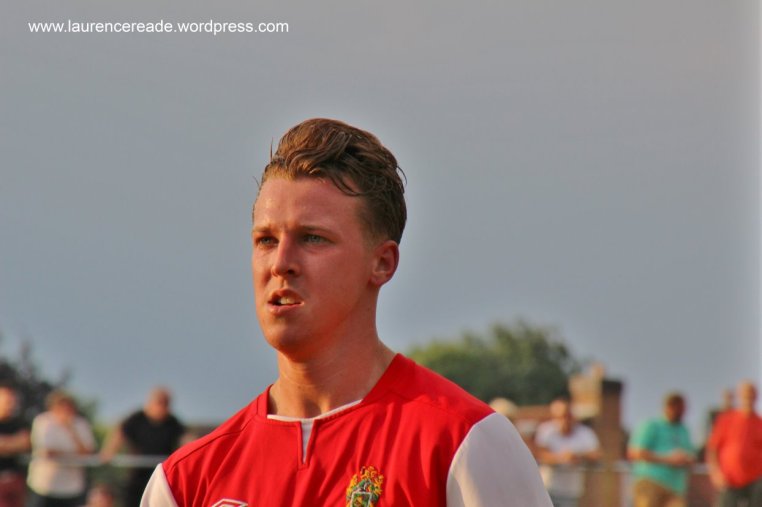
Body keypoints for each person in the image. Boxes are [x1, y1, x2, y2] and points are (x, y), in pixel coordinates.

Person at [141, 118, 552, 505]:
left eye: (312, 238)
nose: (281, 263)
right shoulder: (184, 483)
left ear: (382, 263)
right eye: (266, 240)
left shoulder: (464, 443)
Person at [101, 387, 186, 506]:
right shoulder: (137, 419)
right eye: (160, 403)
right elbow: (120, 433)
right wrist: (108, 452)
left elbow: (185, 439)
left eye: (165, 403)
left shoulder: (173, 422)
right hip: (137, 476)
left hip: (161, 476)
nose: (162, 407)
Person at [27, 390, 96, 507]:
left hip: (73, 488)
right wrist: (75, 456)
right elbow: (47, 452)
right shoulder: (43, 422)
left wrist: (71, 430)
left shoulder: (81, 424)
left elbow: (88, 452)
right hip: (44, 485)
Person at [627, 392, 695, 507]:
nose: (683, 413)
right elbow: (635, 453)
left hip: (675, 488)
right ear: (669, 407)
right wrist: (668, 459)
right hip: (650, 482)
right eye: (679, 409)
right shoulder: (652, 426)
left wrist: (685, 459)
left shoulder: (683, 430)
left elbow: (692, 455)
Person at [534, 397, 600, 507]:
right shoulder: (546, 431)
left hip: (572, 491)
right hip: (548, 489)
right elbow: (540, 454)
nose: (563, 420)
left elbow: (596, 454)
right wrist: (561, 458)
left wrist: (578, 455)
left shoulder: (585, 433)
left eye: (566, 416)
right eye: (558, 417)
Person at [706, 380, 762, 507]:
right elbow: (712, 448)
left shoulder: (760, 423)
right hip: (729, 479)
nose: (748, 398)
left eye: (751, 394)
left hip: (755, 480)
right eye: (745, 394)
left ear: (756, 396)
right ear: (740, 396)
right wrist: (715, 473)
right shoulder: (726, 420)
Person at [0, 383, 30, 507]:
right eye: (6, 398)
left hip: (13, 481)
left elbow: (24, 444)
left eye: (12, 399)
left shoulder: (19, 423)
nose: (10, 403)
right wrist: (11, 443)